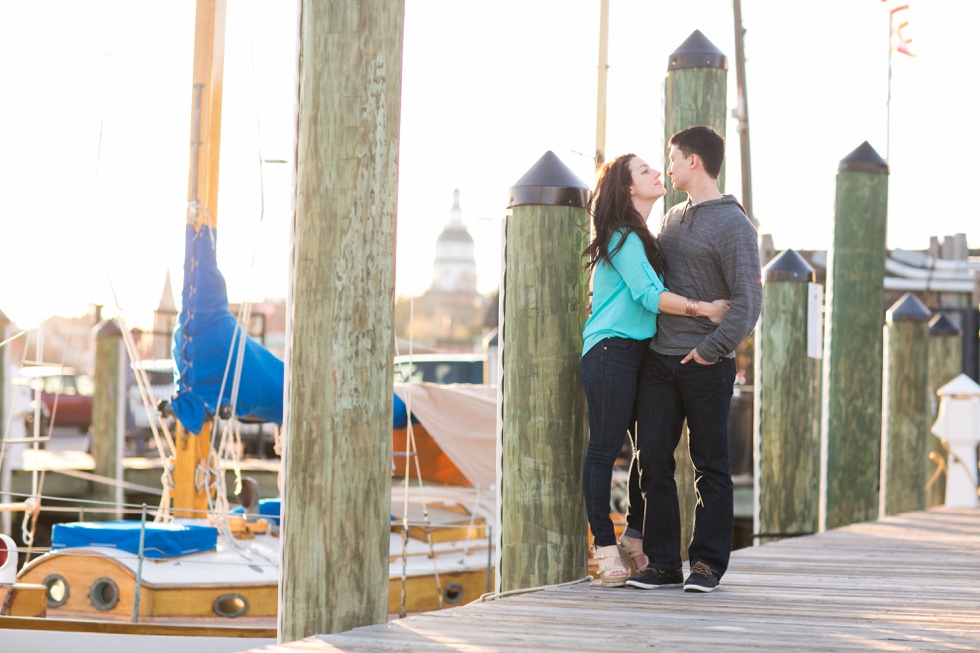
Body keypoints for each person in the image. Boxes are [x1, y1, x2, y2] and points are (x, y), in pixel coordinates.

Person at [580, 152, 730, 587]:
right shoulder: (623, 236)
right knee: (605, 450)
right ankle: (605, 548)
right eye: (644, 170)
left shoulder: (647, 234)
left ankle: (634, 534)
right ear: (628, 188)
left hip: (639, 354)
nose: (655, 172)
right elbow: (648, 296)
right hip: (610, 351)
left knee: (650, 451)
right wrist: (707, 310)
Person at [627, 126, 762, 593]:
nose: (667, 167)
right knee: (653, 461)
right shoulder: (670, 218)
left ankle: (706, 565)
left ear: (694, 163)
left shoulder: (734, 225)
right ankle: (663, 564)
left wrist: (708, 351)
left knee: (710, 465)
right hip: (660, 362)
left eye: (672, 158)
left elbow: (748, 302)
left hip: (705, 365)